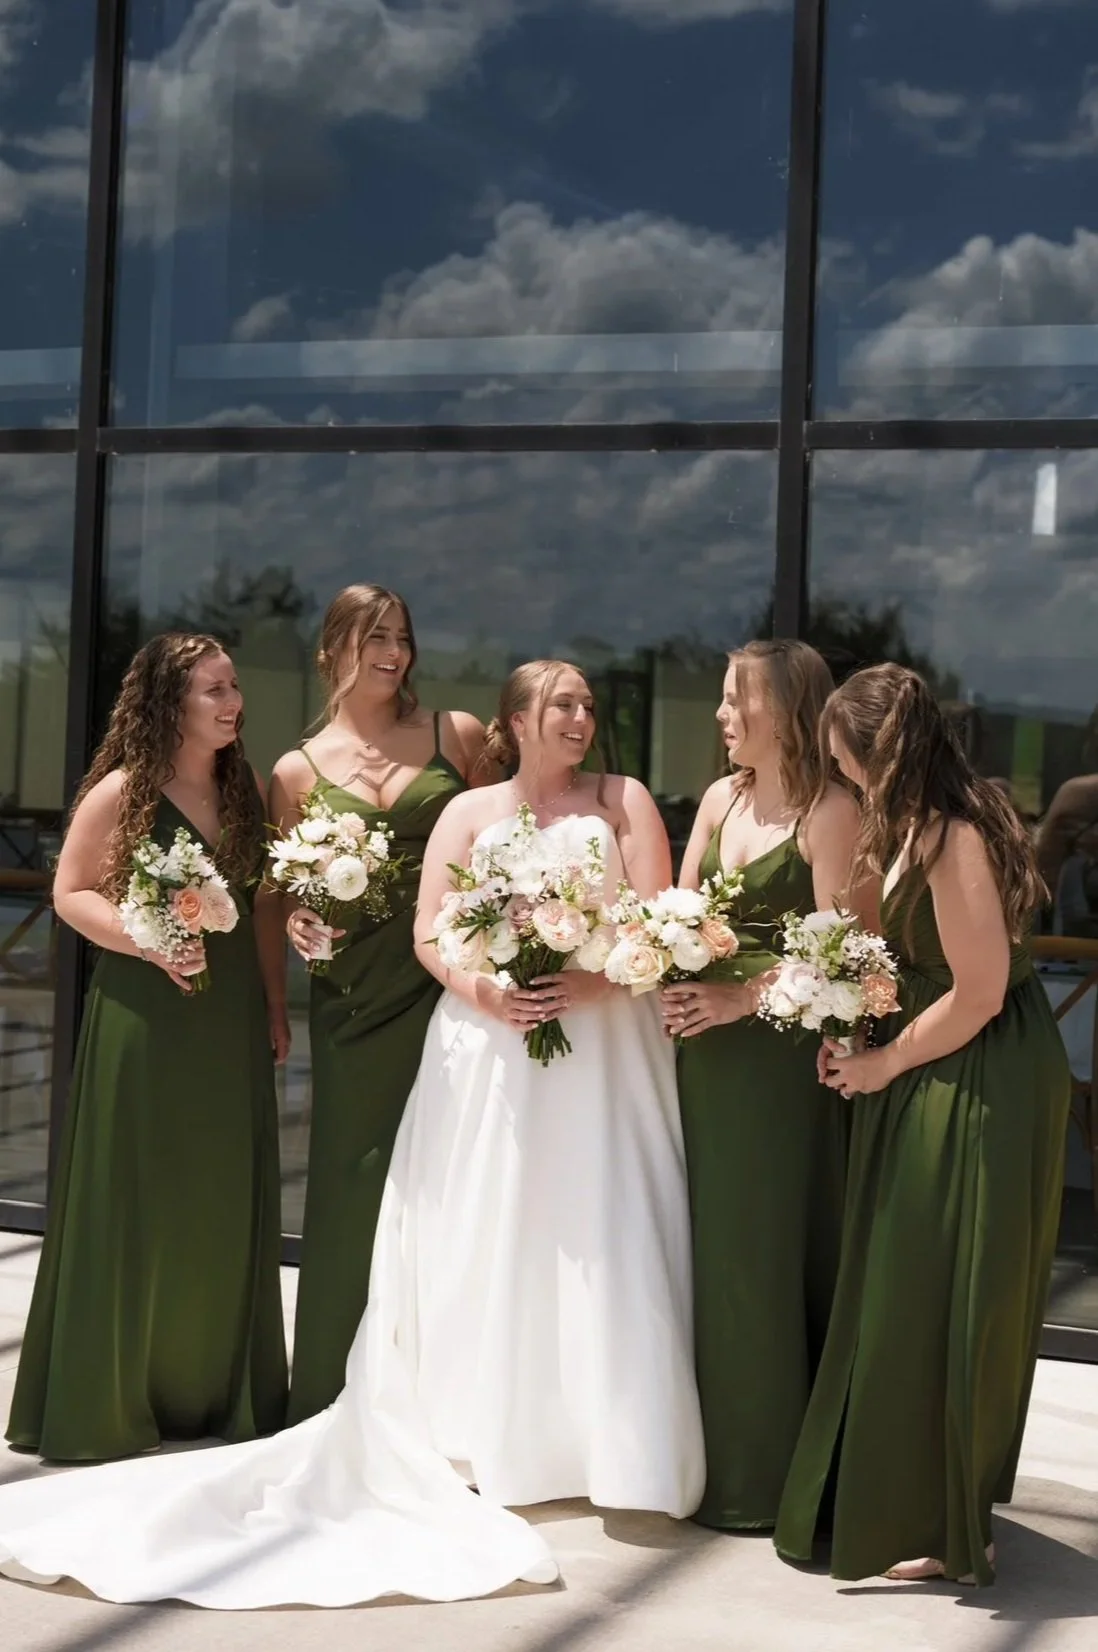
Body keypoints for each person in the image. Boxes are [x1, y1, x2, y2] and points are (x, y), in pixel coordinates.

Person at [0, 659, 704, 1607]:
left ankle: (611, 1440)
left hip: (601, 1051)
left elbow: (646, 926)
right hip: (482, 1040)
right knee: (487, 1230)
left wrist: (586, 981)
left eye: (587, 703)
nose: (581, 717)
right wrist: (488, 988)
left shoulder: (625, 804)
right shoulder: (462, 810)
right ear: (518, 719)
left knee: (601, 1231)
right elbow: (429, 932)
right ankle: (480, 1430)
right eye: (562, 703)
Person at [774, 664, 1071, 1587]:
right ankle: (925, 1510)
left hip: (979, 1075)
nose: (842, 779)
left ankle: (953, 1524)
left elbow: (979, 993)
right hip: (935, 1064)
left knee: (955, 1291)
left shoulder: (956, 835)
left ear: (876, 753)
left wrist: (884, 1060)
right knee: (918, 1288)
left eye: (843, 762)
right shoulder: (913, 828)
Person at [5, 634, 288, 1463]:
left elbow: (265, 907)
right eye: (213, 689)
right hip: (142, 1018)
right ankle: (112, 1397)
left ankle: (207, 1390)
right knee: (138, 1196)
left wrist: (275, 1003)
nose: (232, 701)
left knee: (218, 1197)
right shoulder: (123, 792)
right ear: (170, 701)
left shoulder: (246, 798)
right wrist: (147, 938)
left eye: (235, 685)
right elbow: (68, 894)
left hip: (226, 1020)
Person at [269, 585, 487, 1423]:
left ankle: (440, 1394)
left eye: (402, 636)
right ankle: (329, 1388)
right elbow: (281, 892)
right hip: (352, 996)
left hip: (449, 987)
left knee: (448, 1180)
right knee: (352, 1184)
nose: (393, 653)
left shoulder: (456, 737)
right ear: (334, 650)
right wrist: (295, 925)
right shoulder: (297, 769)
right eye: (374, 638)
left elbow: (509, 833)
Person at [661, 640, 865, 1530]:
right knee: (702, 1256)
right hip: (701, 1065)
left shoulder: (832, 812)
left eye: (735, 700)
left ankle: (768, 1480)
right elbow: (677, 911)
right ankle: (704, 1465)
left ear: (783, 710)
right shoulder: (720, 798)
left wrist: (740, 997)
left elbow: (847, 965)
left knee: (762, 1258)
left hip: (781, 1073)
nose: (720, 716)